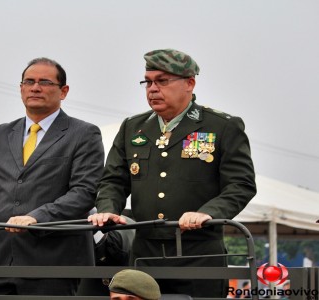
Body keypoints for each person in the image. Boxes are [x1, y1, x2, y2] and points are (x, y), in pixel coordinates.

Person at [89, 48, 257, 297]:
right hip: (145, 253)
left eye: (162, 81)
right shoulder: (133, 127)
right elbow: (113, 179)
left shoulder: (221, 126)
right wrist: (108, 209)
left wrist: (208, 213)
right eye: (147, 82)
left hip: (199, 254)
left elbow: (241, 184)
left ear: (190, 83)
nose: (152, 89)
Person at [0, 57, 105, 295]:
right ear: (21, 88)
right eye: (29, 81)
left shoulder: (83, 134)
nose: (35, 87)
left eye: (45, 82)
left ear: (64, 91)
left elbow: (84, 193)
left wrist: (36, 217)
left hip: (55, 262)